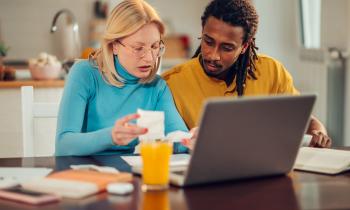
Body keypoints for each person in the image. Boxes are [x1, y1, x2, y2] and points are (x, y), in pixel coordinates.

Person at [162, 0, 331, 149]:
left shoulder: (272, 71)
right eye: (208, 41)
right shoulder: (172, 82)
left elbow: (306, 121)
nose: (213, 55)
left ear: (244, 46)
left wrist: (318, 133)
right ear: (202, 31)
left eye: (227, 48)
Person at [56, 0, 188, 156]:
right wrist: (111, 136)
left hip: (136, 175)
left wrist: (190, 140)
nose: (149, 58)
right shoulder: (85, 74)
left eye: (155, 46)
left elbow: (177, 136)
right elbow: (63, 146)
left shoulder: (157, 87)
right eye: (138, 48)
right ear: (114, 45)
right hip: (90, 173)